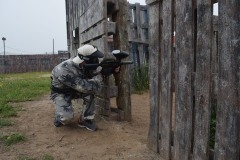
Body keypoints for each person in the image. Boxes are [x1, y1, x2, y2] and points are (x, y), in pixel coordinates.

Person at [50, 44, 119, 131]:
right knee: (66, 119)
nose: (96, 60)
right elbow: (85, 87)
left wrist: (110, 70)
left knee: (90, 93)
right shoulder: (64, 70)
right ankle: (59, 117)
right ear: (86, 59)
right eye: (94, 58)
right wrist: (102, 75)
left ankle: (85, 120)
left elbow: (93, 74)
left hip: (74, 89)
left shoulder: (83, 65)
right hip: (61, 93)